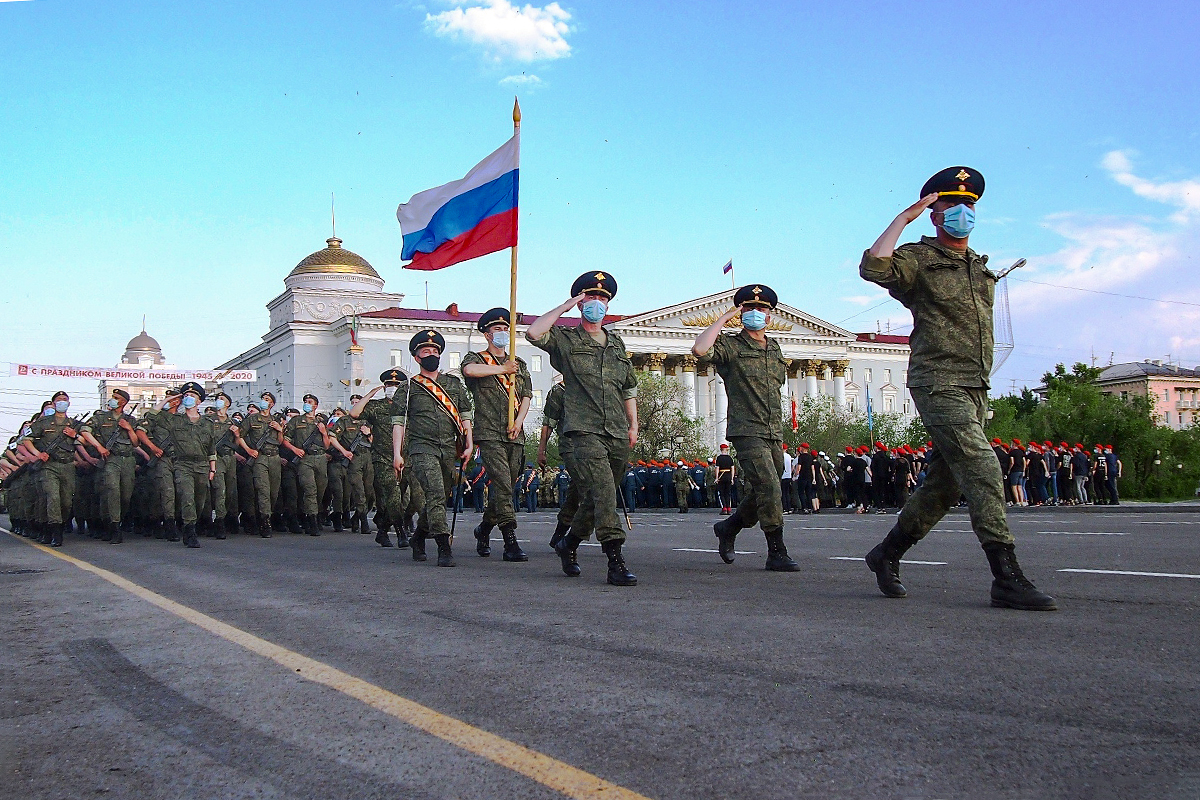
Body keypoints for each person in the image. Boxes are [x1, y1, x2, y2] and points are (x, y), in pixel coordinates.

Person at [859, 166, 1055, 610]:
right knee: (984, 466)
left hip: (975, 386)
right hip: (938, 381)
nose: (962, 212)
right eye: (951, 205)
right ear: (934, 214)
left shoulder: (980, 270)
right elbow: (874, 267)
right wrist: (904, 218)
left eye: (969, 205)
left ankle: (886, 554)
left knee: (946, 485)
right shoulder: (920, 260)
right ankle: (1006, 576)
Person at [526, 270, 639, 586]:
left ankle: (569, 543)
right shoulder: (566, 340)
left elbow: (628, 387)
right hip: (582, 431)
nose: (598, 303)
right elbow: (534, 333)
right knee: (604, 491)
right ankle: (615, 560)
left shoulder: (616, 345)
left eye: (603, 298)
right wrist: (565, 305)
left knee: (594, 497)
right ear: (581, 302)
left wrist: (634, 425)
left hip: (616, 431)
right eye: (591, 297)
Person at [693, 284, 799, 572]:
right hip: (746, 429)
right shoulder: (731, 346)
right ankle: (776, 550)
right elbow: (700, 349)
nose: (756, 312)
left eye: (761, 308)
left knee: (767, 489)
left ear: (769, 315)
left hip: (773, 431)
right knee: (768, 486)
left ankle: (729, 527)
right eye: (749, 308)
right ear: (740, 314)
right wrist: (723, 319)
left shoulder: (774, 347)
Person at [392, 329, 474, 567]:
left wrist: (469, 444)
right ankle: (443, 546)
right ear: (416, 358)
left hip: (449, 448)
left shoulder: (453, 384)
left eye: (435, 351)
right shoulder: (408, 388)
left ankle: (418, 537)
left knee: (438, 497)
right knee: (436, 494)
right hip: (420, 448)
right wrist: (397, 454)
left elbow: (465, 415)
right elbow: (399, 424)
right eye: (425, 351)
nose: (431, 354)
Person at [461, 307, 533, 561]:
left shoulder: (519, 363)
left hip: (515, 433)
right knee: (502, 482)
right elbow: (469, 371)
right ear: (487, 334)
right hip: (489, 431)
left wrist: (520, 421)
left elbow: (526, 396)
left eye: (506, 329)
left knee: (507, 487)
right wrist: (503, 370)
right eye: (497, 330)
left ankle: (484, 529)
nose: (502, 333)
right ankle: (509, 539)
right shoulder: (479, 358)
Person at [351, 371, 413, 549]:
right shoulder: (377, 406)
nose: (391, 389)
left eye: (395, 386)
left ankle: (383, 530)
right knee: (393, 495)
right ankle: (401, 532)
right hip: (382, 458)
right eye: (388, 385)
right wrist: (370, 394)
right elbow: (354, 413)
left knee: (402, 500)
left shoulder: (408, 407)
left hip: (405, 458)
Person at [155, 382, 218, 548]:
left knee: (200, 500)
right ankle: (189, 531)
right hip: (183, 465)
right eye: (186, 396)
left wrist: (213, 468)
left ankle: (192, 523)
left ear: (199, 401)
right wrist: (169, 399)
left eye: (193, 396)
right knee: (187, 497)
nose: (189, 398)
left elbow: (211, 447)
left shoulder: (207, 423)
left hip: (202, 465)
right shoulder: (175, 420)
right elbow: (152, 415)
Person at [21, 391, 82, 547]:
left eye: (65, 400)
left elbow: (85, 442)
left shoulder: (74, 423)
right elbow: (26, 440)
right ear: (54, 403)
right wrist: (37, 454)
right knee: (52, 497)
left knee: (66, 502)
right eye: (59, 400)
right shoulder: (43, 423)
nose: (62, 402)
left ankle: (58, 525)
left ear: (69, 403)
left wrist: (75, 435)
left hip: (68, 465)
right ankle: (55, 533)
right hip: (49, 467)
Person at [78, 388, 139, 543]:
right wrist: (99, 447)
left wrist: (129, 429)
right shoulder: (100, 417)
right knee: (112, 491)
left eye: (116, 397)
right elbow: (85, 431)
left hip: (127, 460)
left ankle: (116, 520)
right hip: (110, 459)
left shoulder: (130, 419)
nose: (112, 399)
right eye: (112, 396)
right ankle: (114, 527)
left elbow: (135, 442)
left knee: (125, 496)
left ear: (124, 402)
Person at [233, 391, 284, 538]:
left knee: (273, 492)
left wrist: (280, 430)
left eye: (267, 399)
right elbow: (239, 436)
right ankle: (265, 521)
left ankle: (267, 514)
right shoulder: (252, 419)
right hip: (260, 458)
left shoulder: (276, 419)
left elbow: (280, 442)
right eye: (263, 399)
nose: (264, 401)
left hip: (274, 457)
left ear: (272, 404)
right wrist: (248, 450)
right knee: (263, 490)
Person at [537, 380, 580, 549]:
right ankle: (608, 541)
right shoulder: (559, 391)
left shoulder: (591, 385)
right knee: (586, 486)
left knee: (578, 489)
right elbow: (548, 423)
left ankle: (561, 530)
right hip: (570, 446)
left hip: (592, 445)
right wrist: (542, 449)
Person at [282, 394, 331, 536]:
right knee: (310, 489)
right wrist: (295, 449)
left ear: (316, 405)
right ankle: (312, 522)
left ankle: (311, 514)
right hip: (305, 459)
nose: (307, 404)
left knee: (320, 489)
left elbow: (327, 445)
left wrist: (323, 433)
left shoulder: (321, 422)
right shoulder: (296, 421)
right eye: (305, 402)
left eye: (310, 402)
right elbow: (285, 440)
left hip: (320, 458)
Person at [714, 444, 734, 513]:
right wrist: (732, 478)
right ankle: (729, 508)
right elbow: (732, 468)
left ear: (720, 449)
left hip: (721, 476)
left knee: (721, 493)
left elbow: (717, 468)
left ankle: (724, 508)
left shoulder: (719, 458)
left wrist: (716, 478)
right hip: (728, 476)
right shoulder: (730, 458)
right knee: (728, 493)